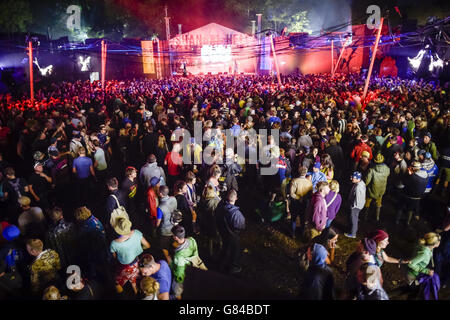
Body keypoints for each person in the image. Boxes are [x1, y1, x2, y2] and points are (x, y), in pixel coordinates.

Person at [110, 216, 151, 295]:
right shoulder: (136, 232)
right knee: (133, 280)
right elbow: (147, 245)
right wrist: (137, 248)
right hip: (136, 262)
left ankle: (121, 296)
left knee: (116, 282)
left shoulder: (114, 243)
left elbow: (114, 257)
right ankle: (137, 295)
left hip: (125, 267)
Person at [166, 225, 204, 299]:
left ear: (175, 237)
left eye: (173, 235)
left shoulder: (178, 256)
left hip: (184, 276)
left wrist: (170, 262)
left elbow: (179, 276)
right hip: (194, 268)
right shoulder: (192, 240)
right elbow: (196, 254)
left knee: (177, 290)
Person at [215, 189, 245, 274]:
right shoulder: (236, 214)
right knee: (234, 252)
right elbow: (241, 226)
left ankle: (220, 265)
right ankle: (233, 269)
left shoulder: (220, 206)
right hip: (232, 235)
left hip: (222, 232)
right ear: (236, 198)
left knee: (225, 248)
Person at [407, 232, 441, 300]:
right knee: (413, 292)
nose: (440, 242)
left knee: (415, 291)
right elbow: (410, 264)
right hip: (413, 275)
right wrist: (426, 271)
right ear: (435, 244)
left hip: (416, 273)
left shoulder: (427, 247)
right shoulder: (424, 253)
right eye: (439, 241)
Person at [396, 161, 428, 225]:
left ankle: (397, 220)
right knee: (410, 209)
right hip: (417, 197)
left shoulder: (412, 176)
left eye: (411, 166)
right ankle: (407, 222)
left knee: (400, 207)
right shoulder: (426, 175)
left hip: (407, 195)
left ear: (414, 168)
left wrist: (407, 174)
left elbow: (403, 183)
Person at [363, 153, 390, 221]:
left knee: (367, 203)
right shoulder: (387, 169)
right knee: (378, 203)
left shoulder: (371, 170)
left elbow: (366, 182)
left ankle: (365, 216)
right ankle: (377, 217)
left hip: (371, 191)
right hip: (381, 190)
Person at [289, 166, 313, 238]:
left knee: (293, 218)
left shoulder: (294, 181)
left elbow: (291, 193)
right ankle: (302, 233)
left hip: (295, 203)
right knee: (303, 219)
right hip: (304, 203)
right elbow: (310, 195)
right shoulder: (309, 183)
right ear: (306, 173)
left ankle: (293, 233)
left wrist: (298, 197)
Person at [345, 172, 366, 238]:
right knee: (354, 218)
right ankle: (352, 230)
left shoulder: (358, 188)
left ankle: (353, 234)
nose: (351, 178)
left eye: (353, 178)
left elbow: (358, 199)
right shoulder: (359, 184)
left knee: (354, 219)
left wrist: (353, 206)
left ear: (357, 179)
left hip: (356, 206)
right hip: (356, 205)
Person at [157, 185, 178, 250]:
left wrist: (155, 228)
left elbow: (158, 223)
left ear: (160, 194)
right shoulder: (174, 198)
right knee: (173, 245)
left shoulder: (160, 207)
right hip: (174, 227)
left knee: (164, 248)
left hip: (165, 231)